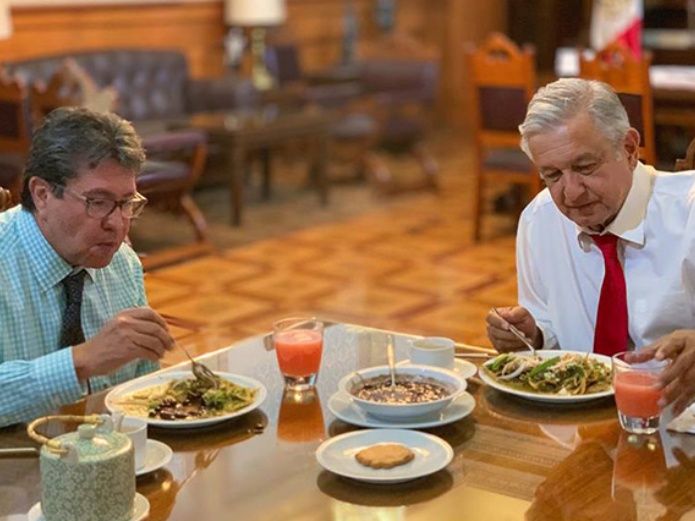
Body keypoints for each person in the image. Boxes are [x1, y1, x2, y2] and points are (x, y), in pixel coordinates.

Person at [486, 78, 695, 414]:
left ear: (629, 148)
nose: (571, 193)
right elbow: (550, 330)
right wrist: (533, 336)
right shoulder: (539, 221)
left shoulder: (689, 211)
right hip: (581, 428)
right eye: (552, 175)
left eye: (585, 167)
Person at [0, 107, 174, 427]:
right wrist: (80, 362)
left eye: (126, 203)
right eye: (98, 202)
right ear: (41, 194)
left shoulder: (122, 263)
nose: (118, 224)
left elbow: (144, 391)